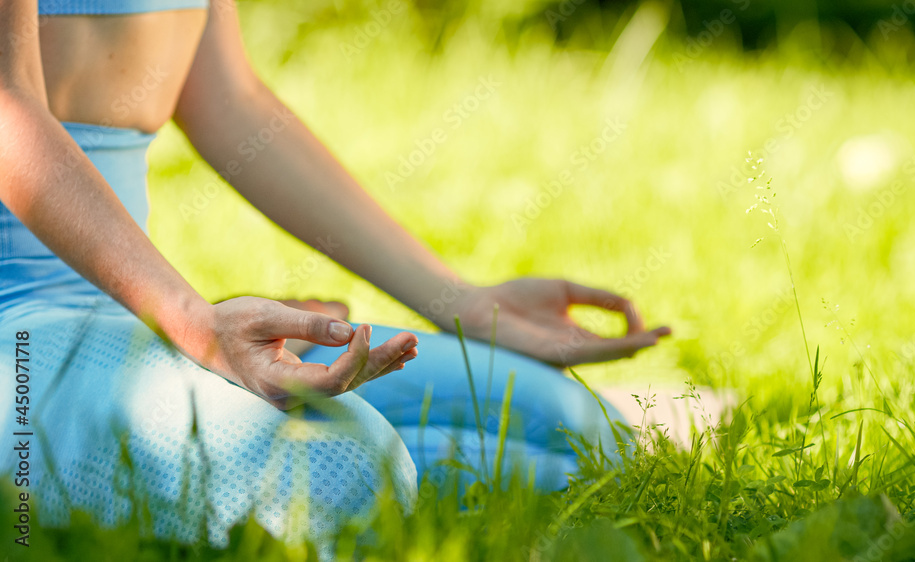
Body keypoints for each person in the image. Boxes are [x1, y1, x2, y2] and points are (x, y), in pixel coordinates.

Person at [0, 0, 671, 554]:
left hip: (129, 308)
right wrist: (196, 323)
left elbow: (231, 99)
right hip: (18, 343)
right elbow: (8, 110)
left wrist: (458, 300)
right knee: (347, 468)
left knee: (580, 429)